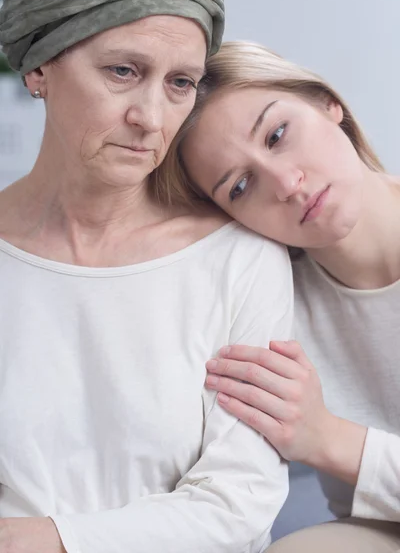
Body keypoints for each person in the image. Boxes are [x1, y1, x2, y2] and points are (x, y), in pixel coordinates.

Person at [0, 0, 294, 552]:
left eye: (179, 83)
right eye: (121, 71)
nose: (150, 118)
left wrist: (41, 539)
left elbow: (239, 504)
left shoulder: (239, 260)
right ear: (38, 68)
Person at [156, 41, 400, 551]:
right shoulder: (270, 304)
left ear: (326, 103)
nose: (287, 183)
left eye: (277, 134)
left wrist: (326, 438)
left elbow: (320, 437)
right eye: (240, 187)